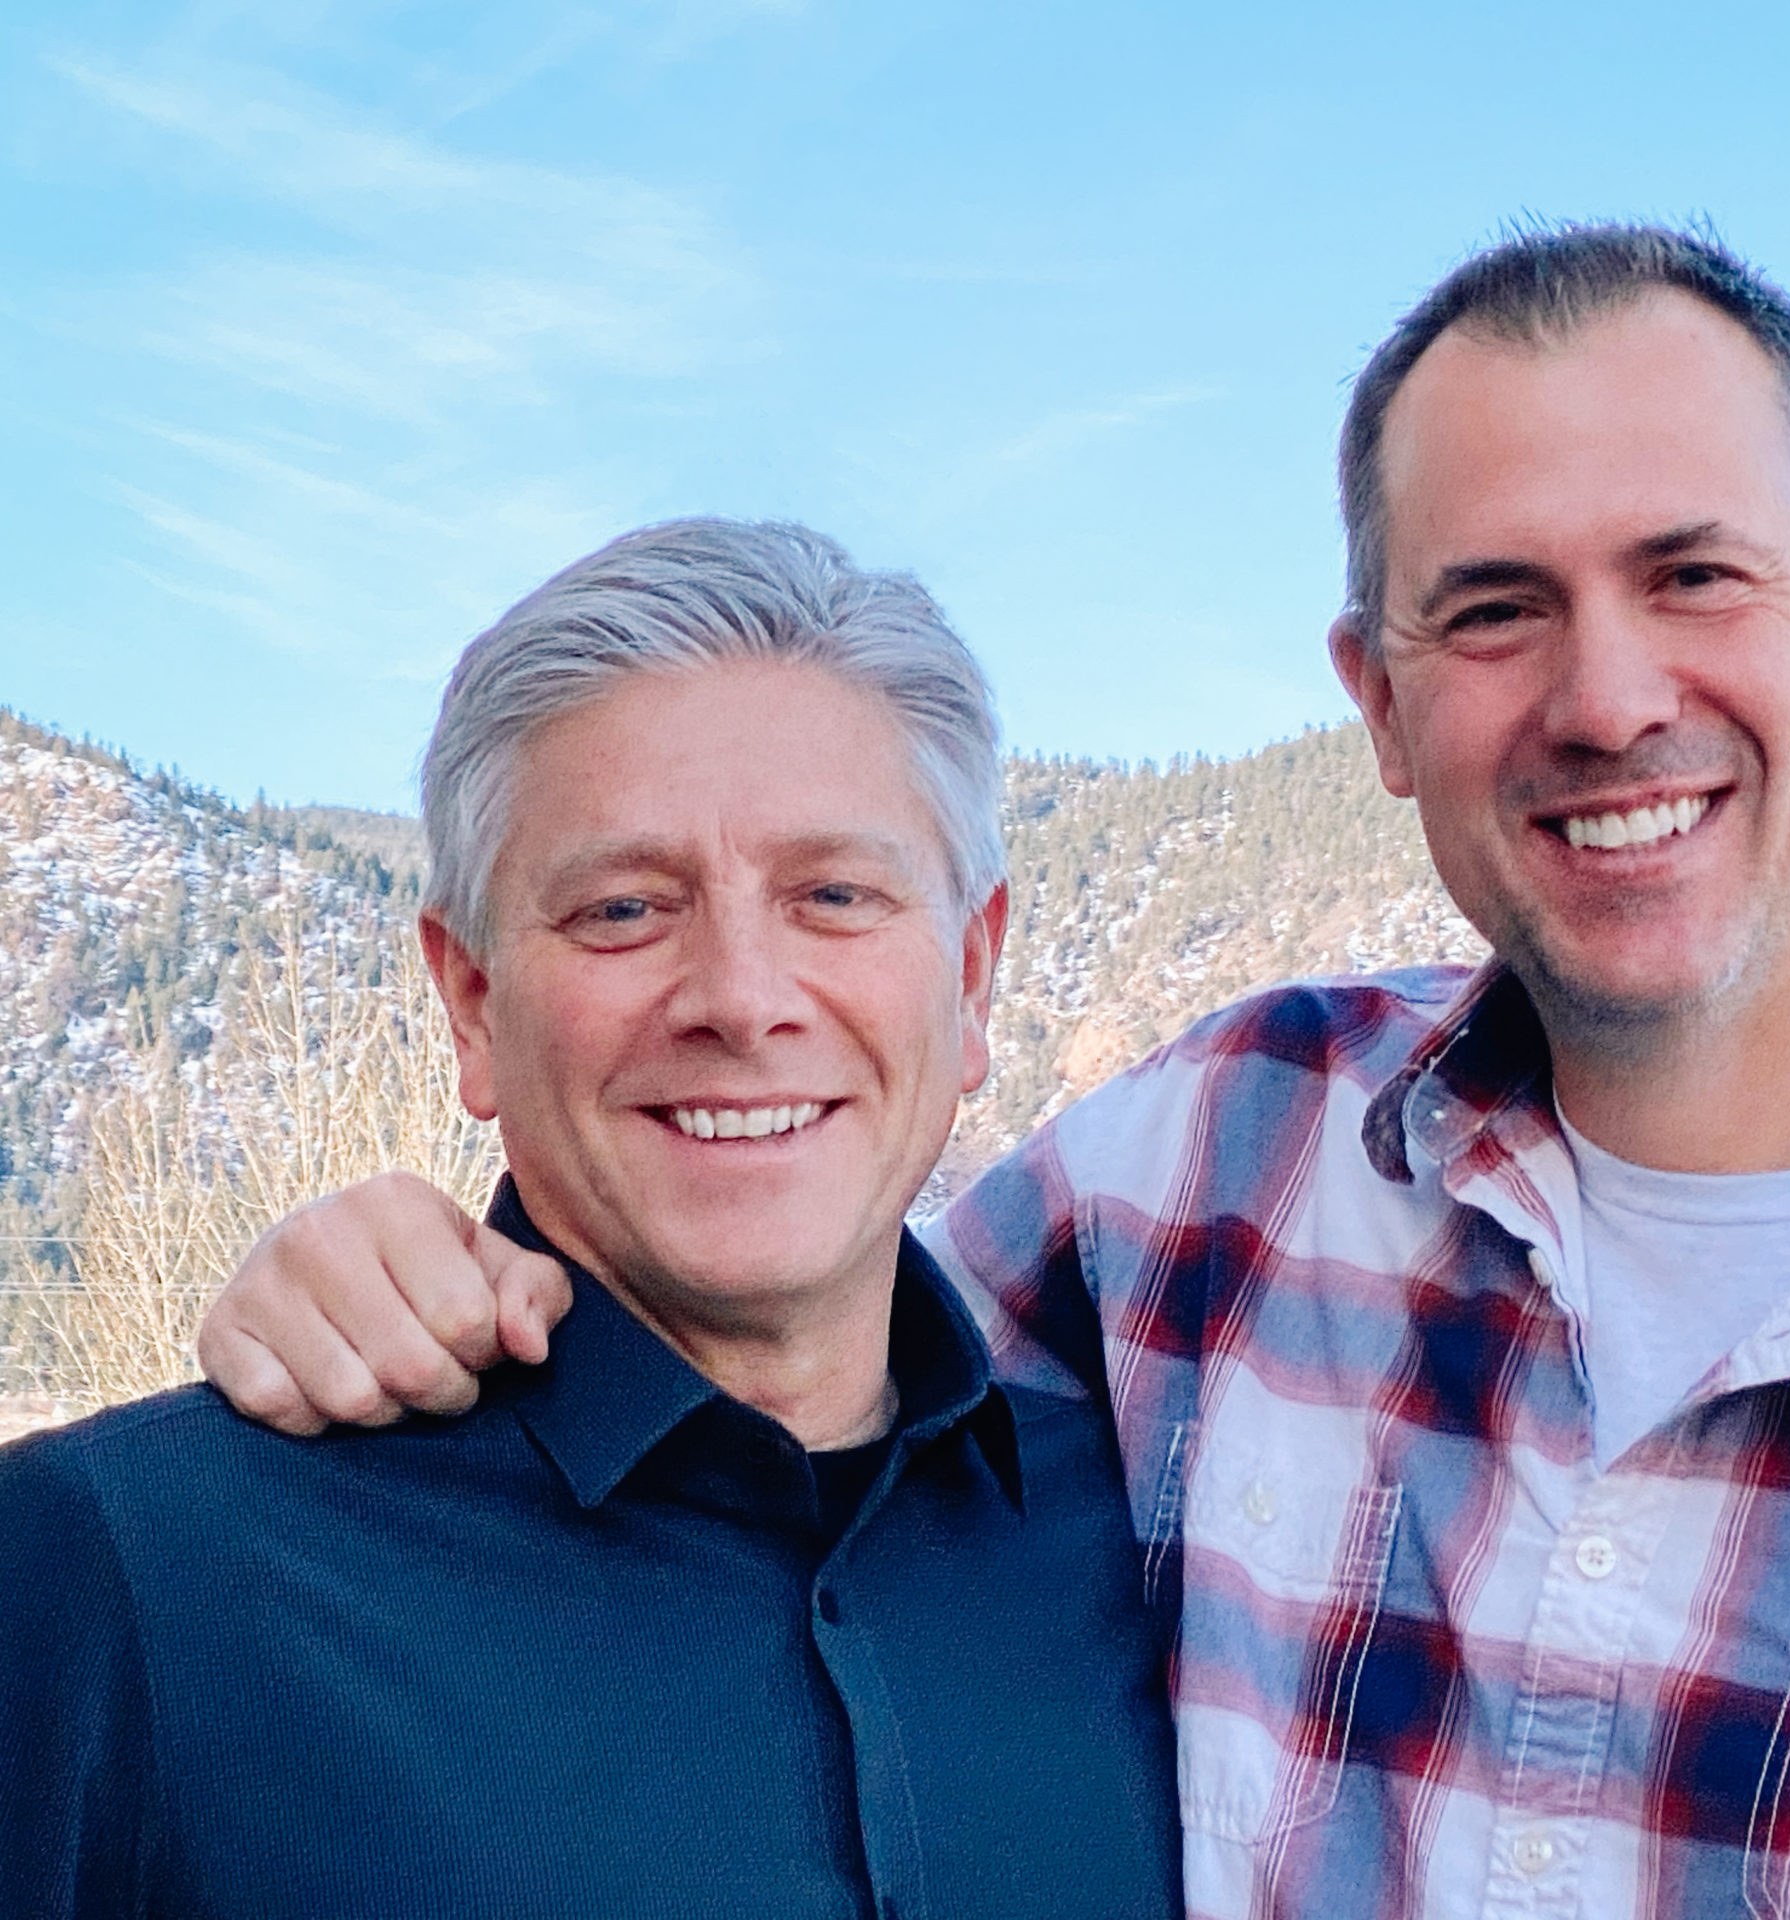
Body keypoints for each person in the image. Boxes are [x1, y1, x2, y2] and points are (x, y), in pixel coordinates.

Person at [196, 227, 1790, 1917]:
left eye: (1693, 575)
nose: (1605, 695)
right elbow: (754, 1294)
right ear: (1377, 701)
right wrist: (412, 1266)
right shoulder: (1203, 1192)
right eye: (1493, 609)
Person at [0, 519, 1182, 1919]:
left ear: (974, 980)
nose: (742, 997)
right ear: (474, 1002)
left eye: (835, 897)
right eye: (624, 909)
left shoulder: (1174, 1546)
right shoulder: (128, 1576)